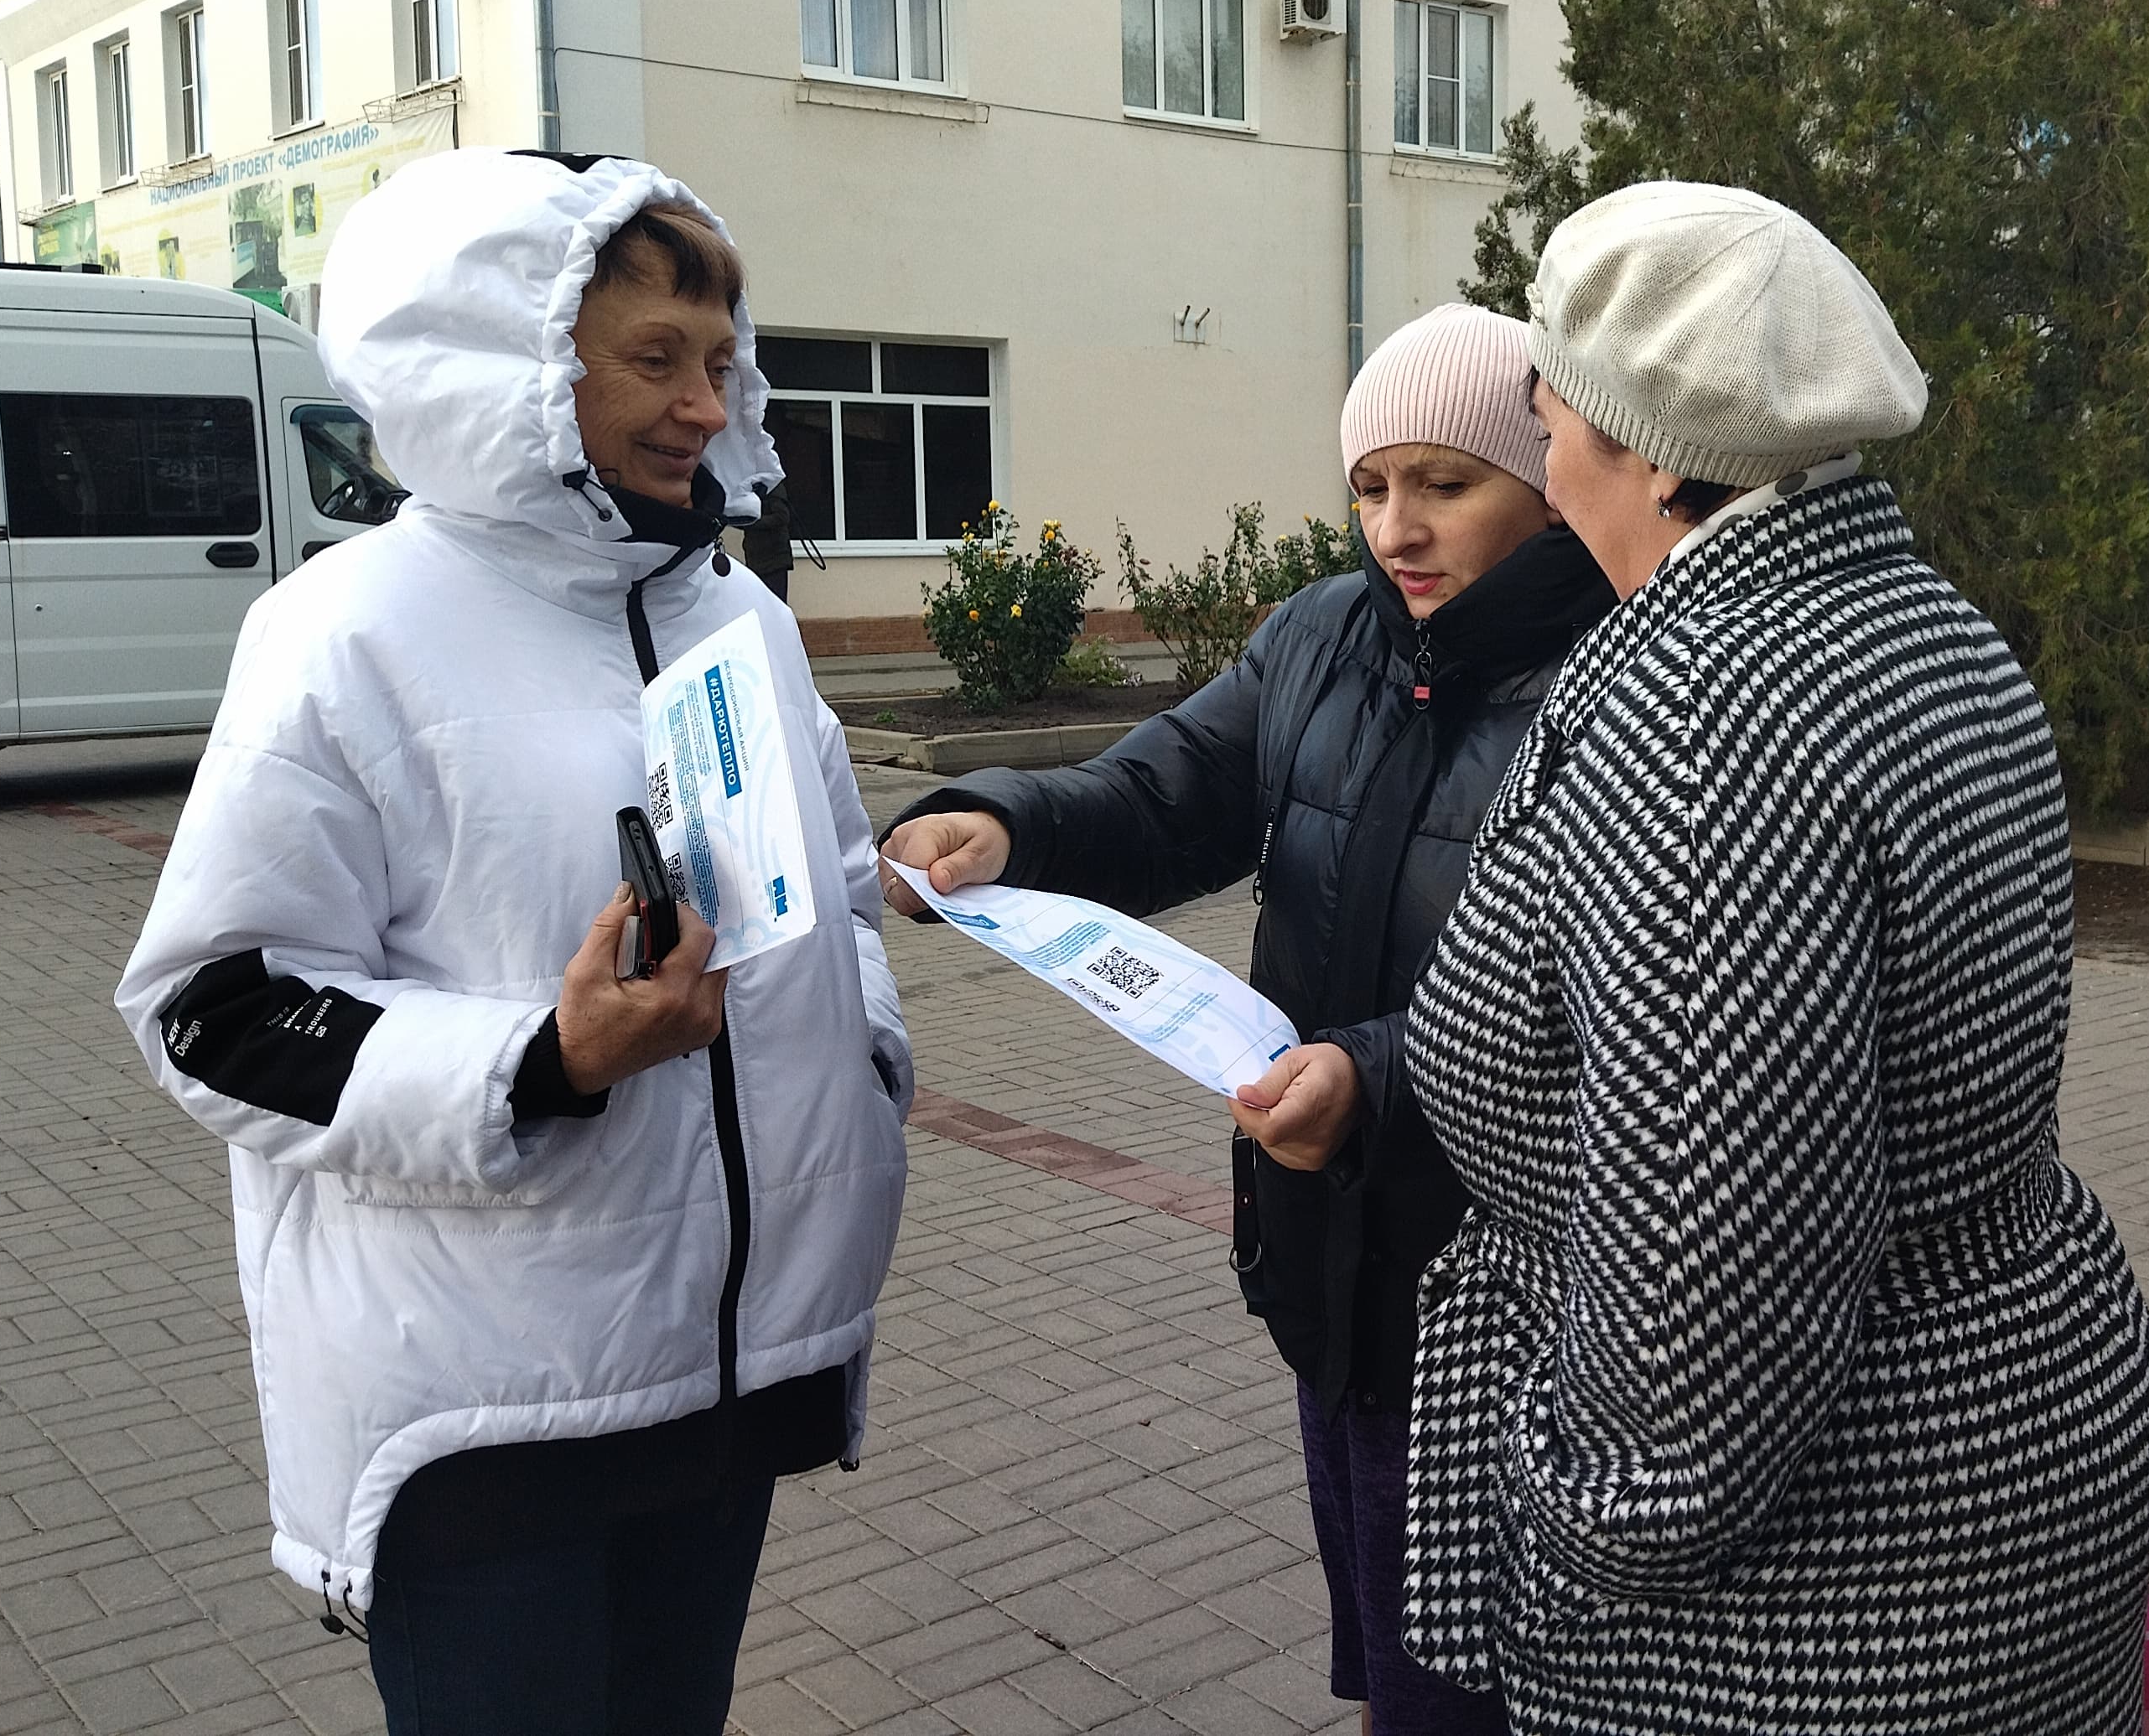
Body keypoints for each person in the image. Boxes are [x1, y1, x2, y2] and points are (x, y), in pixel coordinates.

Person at [114, 149, 912, 1736]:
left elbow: (829, 885)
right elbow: (214, 1008)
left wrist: (868, 1056)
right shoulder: (348, 629)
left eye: (720, 358)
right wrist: (542, 1062)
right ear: (508, 366)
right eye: (653, 358)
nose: (705, 403)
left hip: (729, 1373)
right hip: (484, 1418)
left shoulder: (736, 614)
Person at [1399, 182, 2149, 1732]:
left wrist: (1574, 1519)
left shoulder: (1708, 722)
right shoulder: (1919, 623)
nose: (1543, 463)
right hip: (2011, 1447)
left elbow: (1704, 1298)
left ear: (1637, 442)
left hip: (1816, 1588)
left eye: (1550, 417)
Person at [877, 304, 1612, 1733]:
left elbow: (1595, 996)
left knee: (1488, 1691)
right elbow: (1162, 795)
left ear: (1543, 473)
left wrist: (1376, 1076)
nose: (1397, 527)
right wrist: (997, 824)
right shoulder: (1323, 637)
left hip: (1503, 1300)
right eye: (1369, 486)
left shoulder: (1618, 676)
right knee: (1396, 1659)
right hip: (1326, 1251)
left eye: (1445, 484)